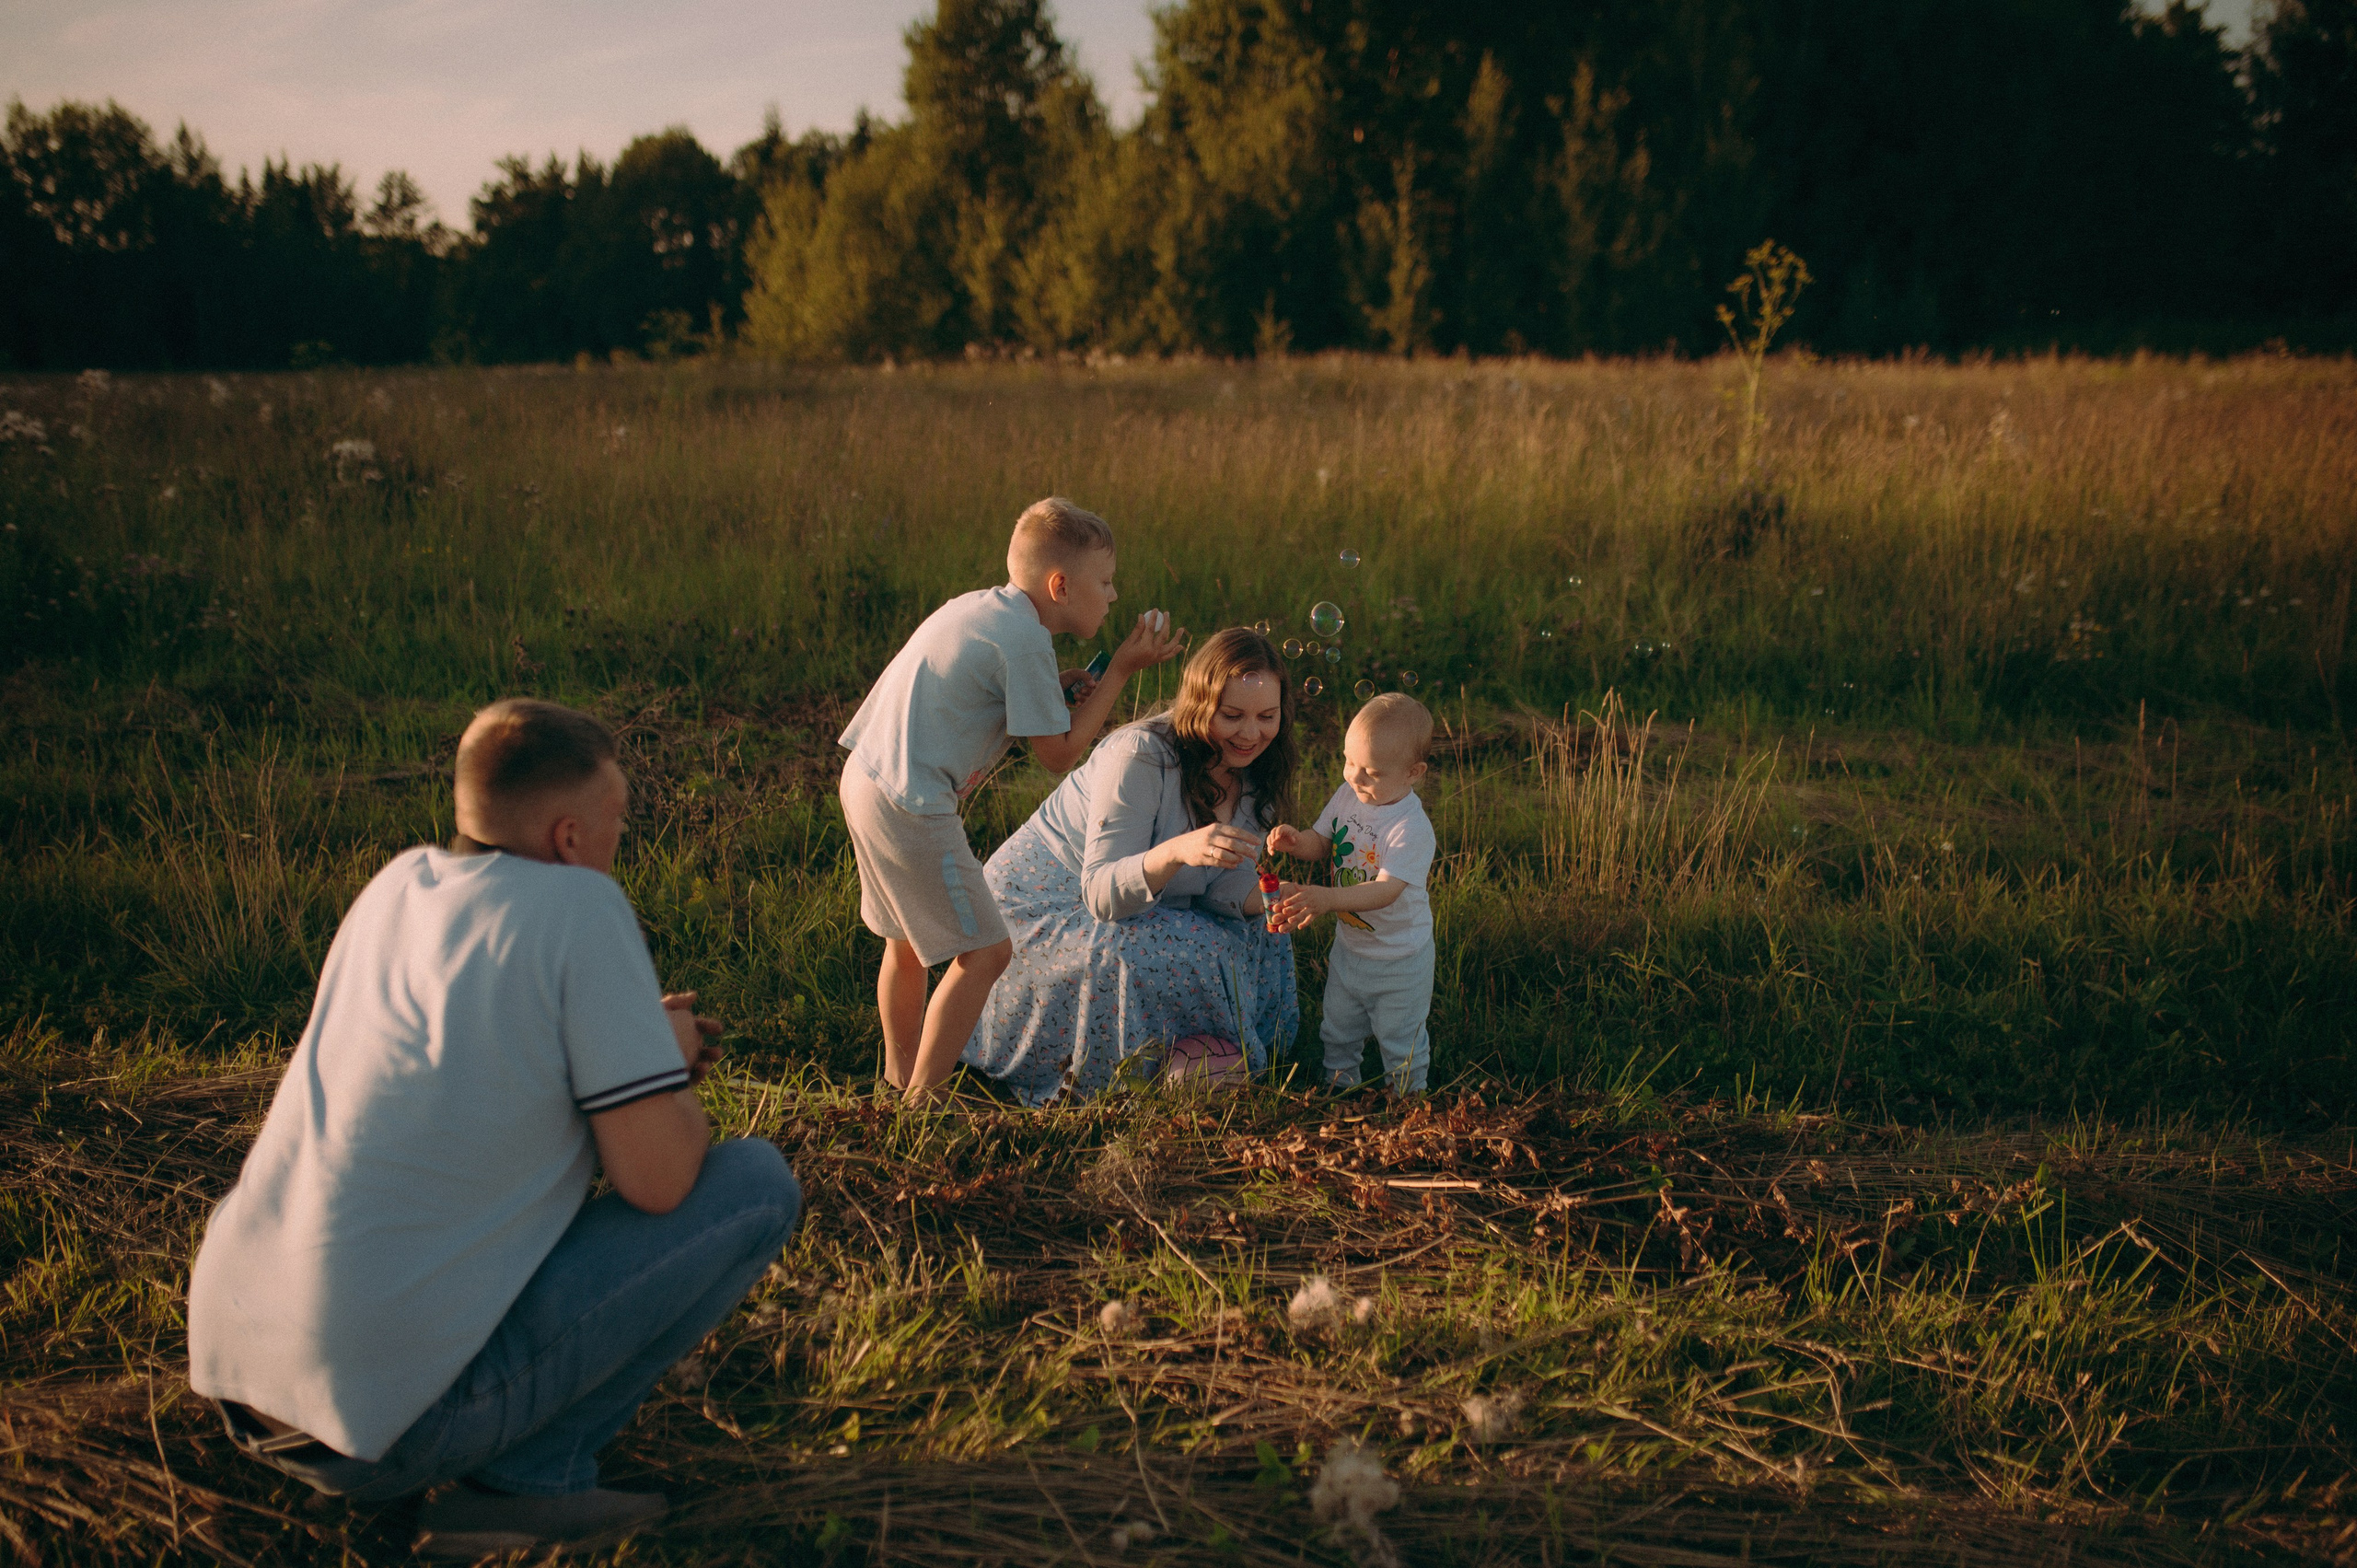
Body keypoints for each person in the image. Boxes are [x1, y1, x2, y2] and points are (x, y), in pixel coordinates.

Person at [186, 699, 804, 1561]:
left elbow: (496, 1070)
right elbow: (658, 1180)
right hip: (384, 1430)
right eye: (618, 817)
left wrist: (627, 1036)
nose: (622, 837)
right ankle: (526, 1487)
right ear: (568, 837)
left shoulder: (396, 888)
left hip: (241, 1376)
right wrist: (658, 1062)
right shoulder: (581, 908)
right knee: (755, 1185)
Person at [837, 495, 1183, 1100]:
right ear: (1060, 584)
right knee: (988, 951)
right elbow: (1059, 754)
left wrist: (1057, 687)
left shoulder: (984, 610)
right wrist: (1123, 670)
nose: (1113, 595)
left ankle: (896, 1086)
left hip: (867, 780)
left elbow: (980, 685)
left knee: (907, 945)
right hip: (912, 804)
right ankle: (922, 1105)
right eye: (1104, 582)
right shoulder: (1024, 641)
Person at [961, 628, 1302, 1103]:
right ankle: (1117, 1086)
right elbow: (1101, 894)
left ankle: (1202, 1068)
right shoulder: (1141, 755)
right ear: (1200, 705)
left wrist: (1271, 898)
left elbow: (1222, 884)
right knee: (1176, 950)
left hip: (1144, 899)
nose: (1251, 733)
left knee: (1259, 933)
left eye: (1267, 716)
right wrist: (1177, 851)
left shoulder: (1255, 767)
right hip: (1043, 907)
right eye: (1232, 715)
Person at [1267, 693, 1438, 1093]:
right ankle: (1341, 1094)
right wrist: (1298, 841)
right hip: (1351, 948)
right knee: (1338, 1030)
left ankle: (1409, 1103)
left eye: (1372, 772)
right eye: (1349, 762)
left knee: (1400, 1041)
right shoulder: (1350, 795)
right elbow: (1322, 842)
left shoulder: (1410, 827)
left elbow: (1385, 892)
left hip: (1400, 957)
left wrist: (1327, 899)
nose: (1355, 777)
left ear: (1413, 772)